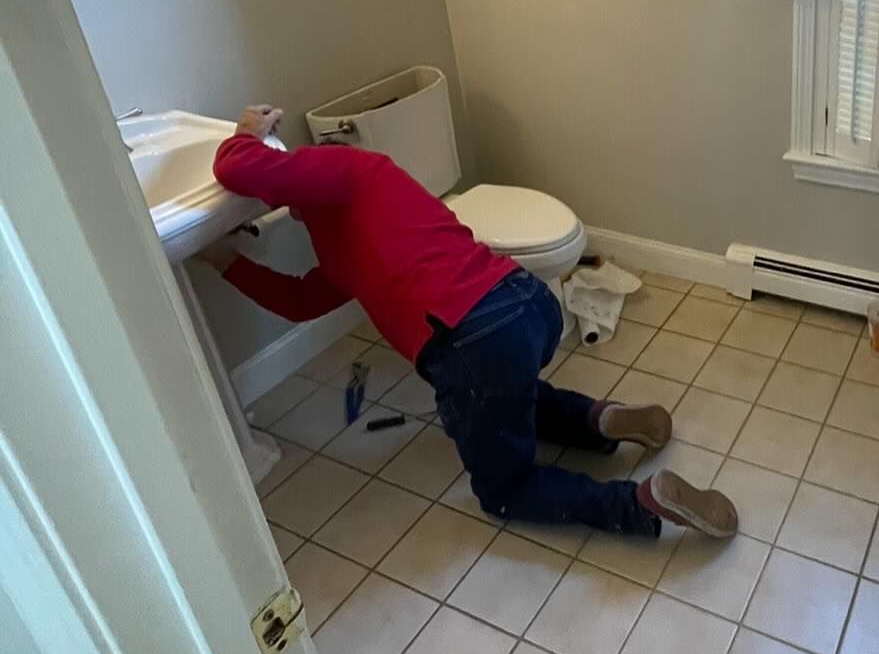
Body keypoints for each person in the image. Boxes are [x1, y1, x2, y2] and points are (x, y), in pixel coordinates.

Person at [206, 105, 737, 541]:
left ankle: (637, 502)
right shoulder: (360, 224)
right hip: (528, 303)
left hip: (475, 338)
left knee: (504, 488)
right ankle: (602, 420)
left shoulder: (354, 170)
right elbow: (299, 301)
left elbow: (238, 170)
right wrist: (226, 262)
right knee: (508, 390)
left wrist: (247, 135)